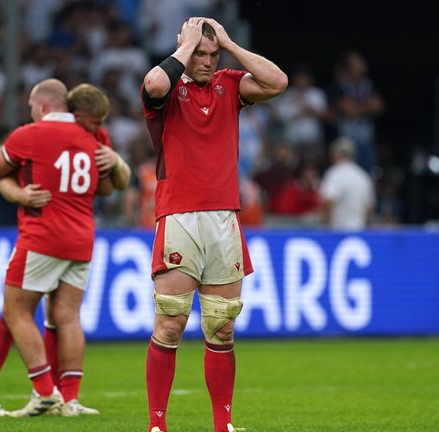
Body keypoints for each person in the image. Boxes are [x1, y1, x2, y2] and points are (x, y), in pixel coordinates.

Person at [140, 17, 287, 432]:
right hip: (179, 216)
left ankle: (223, 426)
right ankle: (157, 425)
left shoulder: (229, 84)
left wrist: (230, 44)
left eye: (212, 54)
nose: (207, 62)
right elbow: (153, 85)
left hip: (225, 216)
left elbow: (278, 82)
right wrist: (184, 49)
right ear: (184, 49)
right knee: (170, 323)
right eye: (199, 54)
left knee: (221, 327)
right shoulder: (168, 87)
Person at [0, 79, 128, 417]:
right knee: (68, 318)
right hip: (82, 238)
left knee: (15, 312)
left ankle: (46, 392)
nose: (31, 112)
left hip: (43, 235)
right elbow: (106, 188)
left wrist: (18, 191)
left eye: (32, 107)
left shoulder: (30, 134)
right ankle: (70, 399)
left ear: (43, 106)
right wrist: (117, 163)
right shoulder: (93, 140)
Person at [319, 136, 375, 230]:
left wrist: (326, 225)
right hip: (359, 231)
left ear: (336, 155)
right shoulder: (363, 176)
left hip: (338, 232)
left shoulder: (334, 173)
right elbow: (369, 207)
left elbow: (329, 201)